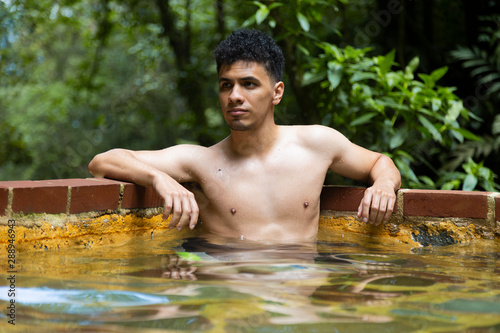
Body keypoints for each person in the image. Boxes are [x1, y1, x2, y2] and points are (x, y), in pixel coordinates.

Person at [88, 29, 401, 242]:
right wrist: (159, 179)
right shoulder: (201, 161)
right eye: (226, 85)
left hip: (298, 305)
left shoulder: (317, 144)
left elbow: (379, 161)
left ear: (276, 92)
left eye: (249, 84)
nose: (234, 96)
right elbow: (102, 162)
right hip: (230, 299)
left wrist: (385, 184)